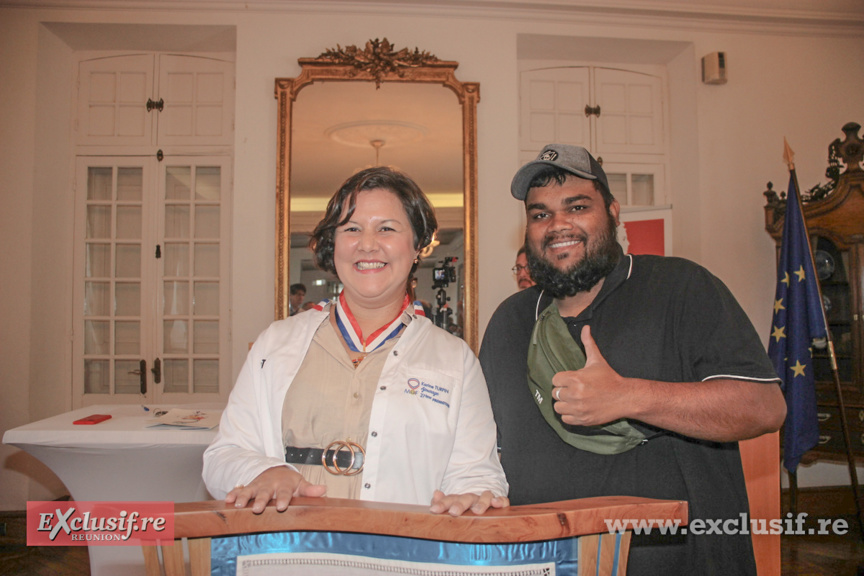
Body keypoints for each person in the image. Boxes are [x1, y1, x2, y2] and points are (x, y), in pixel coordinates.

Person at [479, 144, 785, 575]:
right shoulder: (509, 321)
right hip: (541, 562)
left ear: (613, 212)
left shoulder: (681, 287)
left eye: (577, 206)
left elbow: (764, 407)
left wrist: (629, 397)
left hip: (681, 563)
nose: (558, 224)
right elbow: (485, 447)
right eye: (540, 213)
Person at [204, 166, 508, 517]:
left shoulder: (455, 359)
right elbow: (222, 456)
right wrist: (262, 471)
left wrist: (472, 497)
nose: (367, 244)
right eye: (351, 229)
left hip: (401, 544)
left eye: (386, 228)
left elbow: (478, 474)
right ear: (333, 245)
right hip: (288, 542)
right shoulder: (275, 343)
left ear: (417, 246)